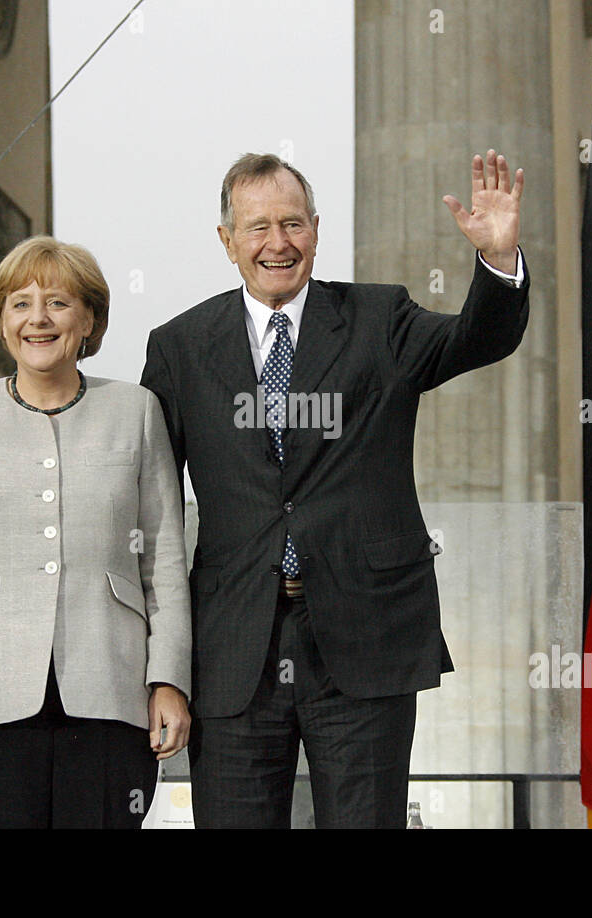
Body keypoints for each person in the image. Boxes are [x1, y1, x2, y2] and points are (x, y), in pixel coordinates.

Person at [141, 150, 529, 828]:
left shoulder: (380, 319)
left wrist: (498, 263)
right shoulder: (179, 346)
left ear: (316, 230)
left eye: (292, 223)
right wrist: (158, 662)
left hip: (363, 639)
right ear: (227, 241)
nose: (277, 243)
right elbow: (150, 509)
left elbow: (477, 339)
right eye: (256, 227)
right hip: (233, 649)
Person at [0, 236, 191, 829]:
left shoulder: (135, 410)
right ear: (3, 323)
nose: (38, 318)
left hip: (111, 692)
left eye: (57, 302)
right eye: (20, 303)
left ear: (89, 320)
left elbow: (164, 561)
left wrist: (169, 680)